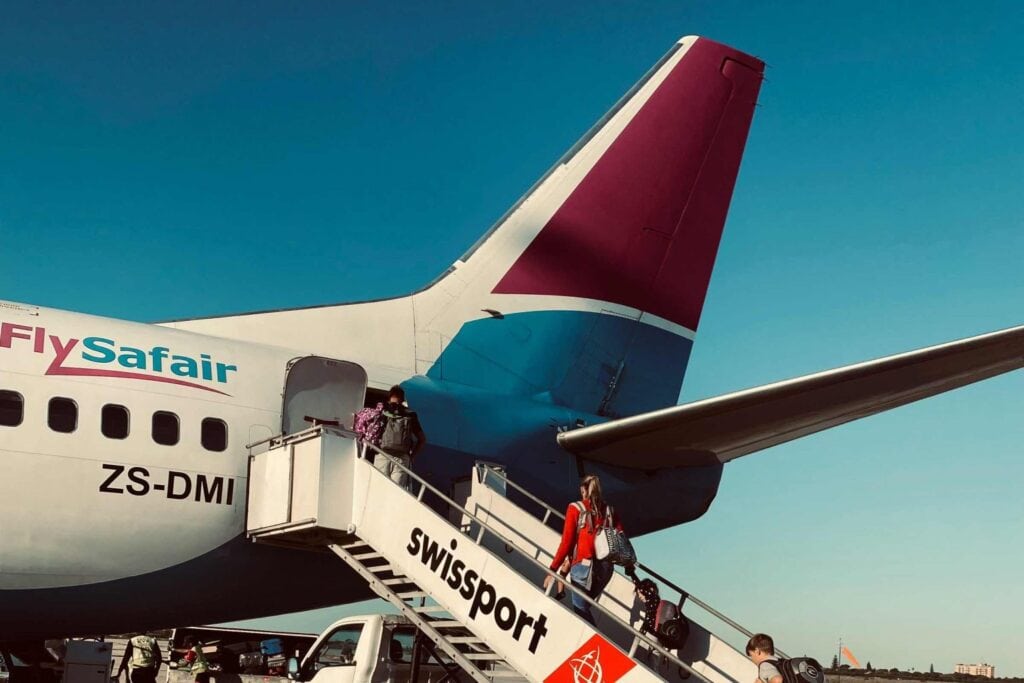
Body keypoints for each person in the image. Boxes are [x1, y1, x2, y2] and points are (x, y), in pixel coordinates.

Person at [545, 474, 628, 625]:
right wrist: (629, 567)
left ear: (583, 490)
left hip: (583, 566)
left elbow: (566, 543)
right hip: (606, 568)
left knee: (580, 609)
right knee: (584, 607)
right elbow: (621, 539)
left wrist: (552, 569)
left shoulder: (575, 508)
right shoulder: (610, 511)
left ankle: (599, 645)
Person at [373, 385, 426, 490]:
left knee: (379, 488)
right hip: (402, 458)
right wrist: (411, 457)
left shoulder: (382, 412)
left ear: (388, 400)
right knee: (396, 491)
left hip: (383, 455)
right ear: (402, 400)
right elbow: (422, 439)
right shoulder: (410, 415)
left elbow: (373, 432)